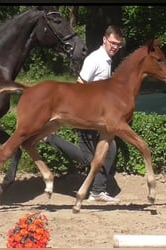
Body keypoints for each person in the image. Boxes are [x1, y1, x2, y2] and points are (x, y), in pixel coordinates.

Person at [45, 25, 124, 203]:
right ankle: (51, 139)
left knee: (109, 150)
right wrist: (77, 114)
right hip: (86, 116)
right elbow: (79, 85)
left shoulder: (107, 60)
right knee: (90, 158)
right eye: (112, 43)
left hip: (98, 117)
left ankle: (97, 191)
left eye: (118, 44)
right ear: (104, 40)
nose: (115, 47)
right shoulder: (95, 59)